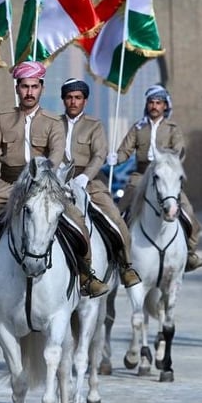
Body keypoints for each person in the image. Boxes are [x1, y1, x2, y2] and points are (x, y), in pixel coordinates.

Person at [0, 61, 109, 310]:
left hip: (44, 186)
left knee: (79, 225)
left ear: (41, 88)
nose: (29, 92)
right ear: (17, 88)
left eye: (34, 87)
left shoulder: (53, 122)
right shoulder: (3, 119)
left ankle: (87, 276)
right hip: (8, 185)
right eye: (24, 87)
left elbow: (56, 153)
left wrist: (44, 174)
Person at [57, 78, 140, 288]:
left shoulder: (94, 126)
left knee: (116, 220)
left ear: (85, 100)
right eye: (69, 97)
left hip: (90, 181)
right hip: (56, 181)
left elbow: (99, 154)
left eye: (78, 98)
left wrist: (85, 177)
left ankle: (126, 266)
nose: (73, 102)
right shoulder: (53, 123)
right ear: (63, 100)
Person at [113, 85, 202, 272]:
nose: (154, 106)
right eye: (151, 102)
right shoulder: (138, 128)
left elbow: (179, 151)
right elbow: (125, 150)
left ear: (165, 106)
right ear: (147, 105)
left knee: (189, 213)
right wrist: (116, 157)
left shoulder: (172, 129)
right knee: (117, 214)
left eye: (158, 103)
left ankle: (191, 253)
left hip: (165, 177)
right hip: (140, 177)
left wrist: (166, 162)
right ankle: (118, 253)